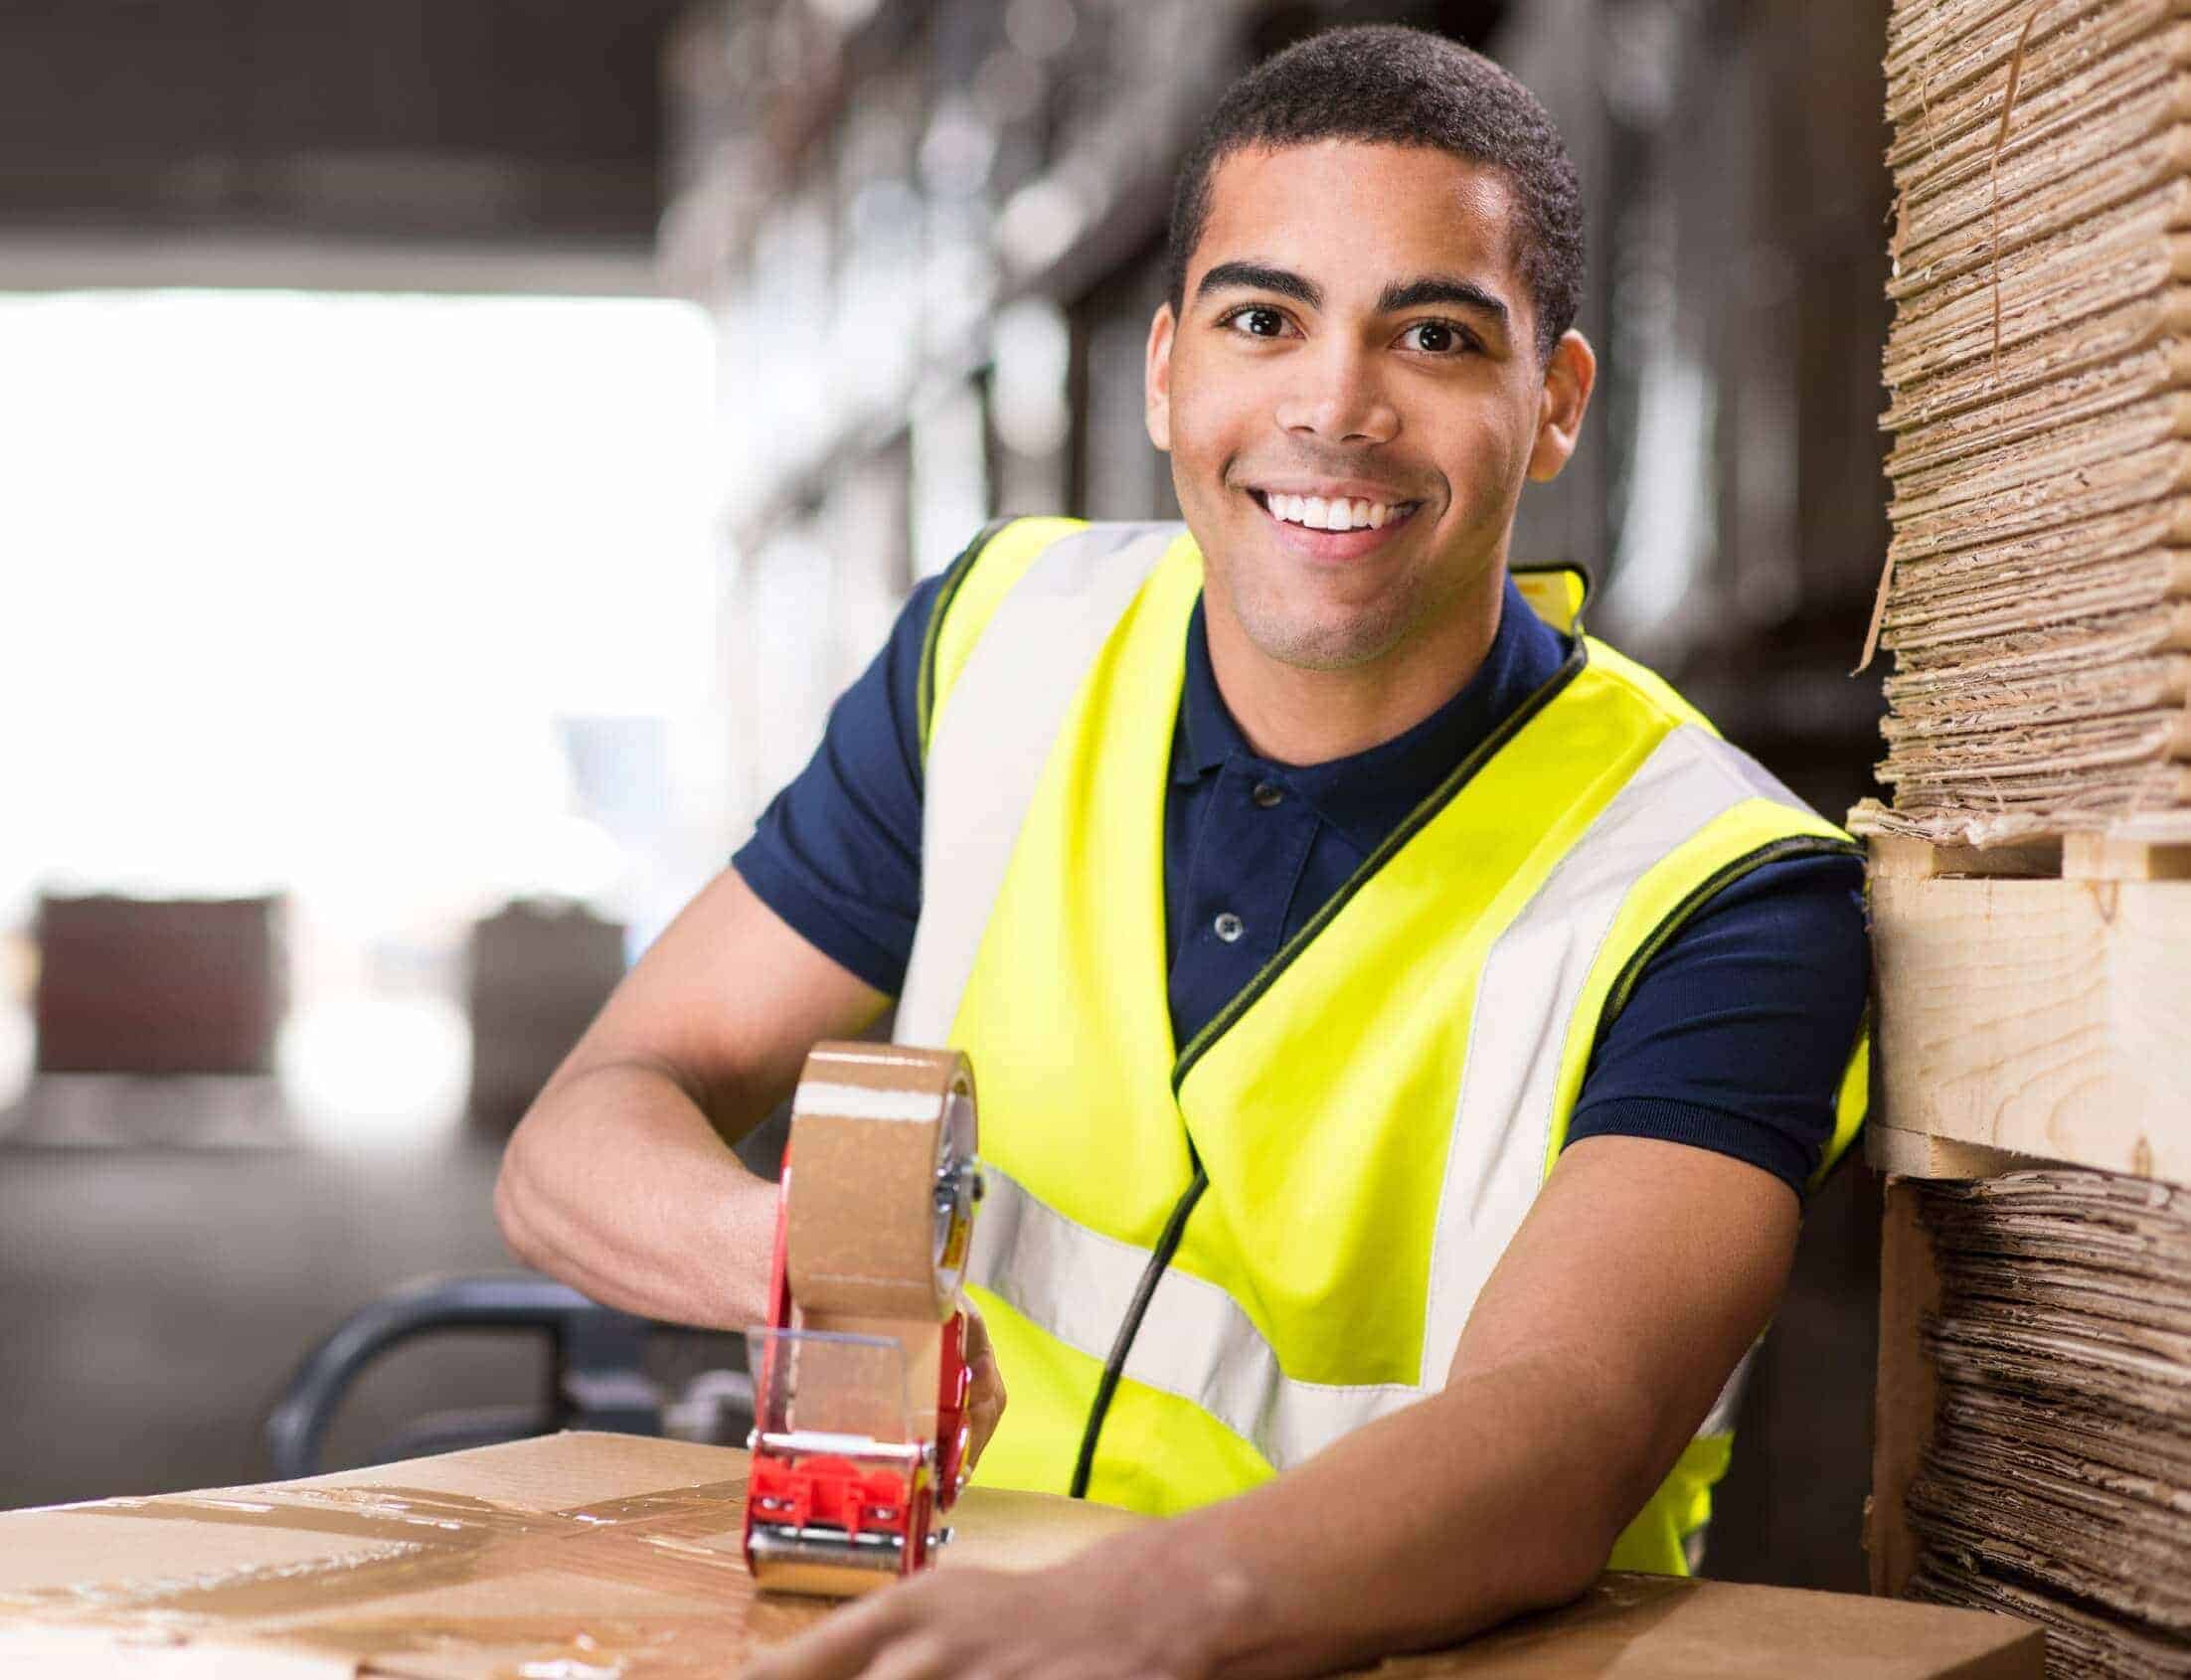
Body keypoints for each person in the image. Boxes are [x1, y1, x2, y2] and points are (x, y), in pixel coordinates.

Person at [494, 23, 1870, 1679]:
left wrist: (1140, 1609)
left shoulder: (1724, 884)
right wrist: (807, 1260)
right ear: (1166, 374)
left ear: (1556, 403)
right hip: (942, 1633)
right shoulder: (1000, 648)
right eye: (1263, 320)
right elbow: (580, 1131)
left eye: (1434, 335)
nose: (1334, 406)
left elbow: (1568, 1423)